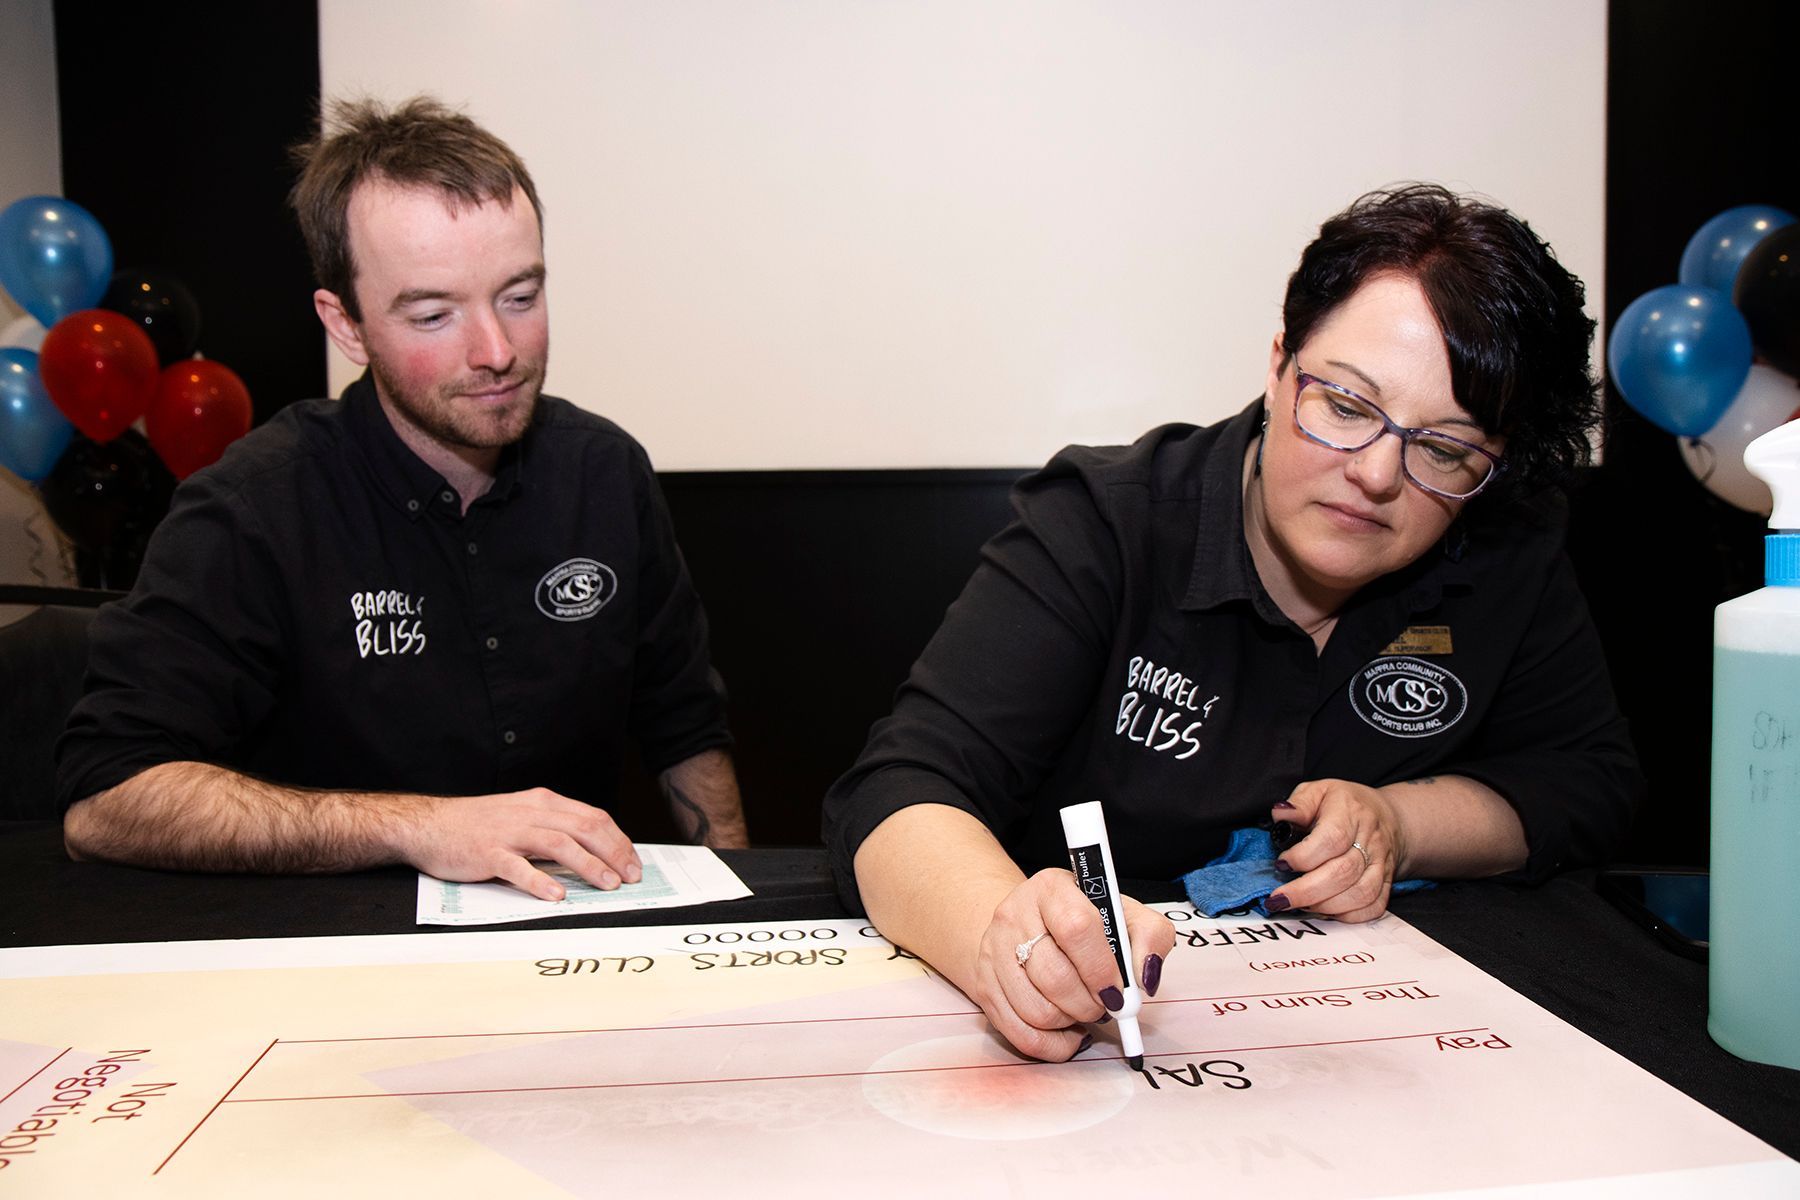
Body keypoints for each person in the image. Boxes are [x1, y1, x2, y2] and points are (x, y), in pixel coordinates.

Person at [823, 184, 1644, 1063]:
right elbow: (901, 792)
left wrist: (1403, 824)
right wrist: (1005, 934)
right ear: (1279, 364)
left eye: (1443, 448)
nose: (1374, 474)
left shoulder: (1505, 546)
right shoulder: (1108, 522)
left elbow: (1588, 783)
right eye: (1345, 406)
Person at [58, 96, 748, 898]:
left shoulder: (604, 473)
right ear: (346, 324)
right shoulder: (254, 509)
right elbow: (103, 801)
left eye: (520, 297)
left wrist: (736, 904)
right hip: (336, 963)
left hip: (564, 940)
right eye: (432, 314)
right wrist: (419, 825)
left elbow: (685, 723)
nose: (497, 352)